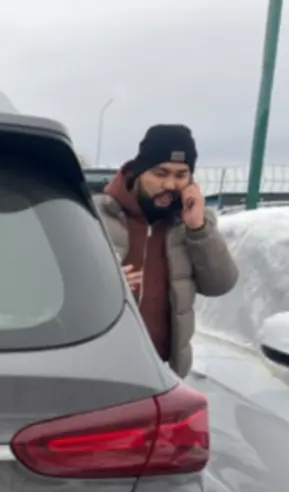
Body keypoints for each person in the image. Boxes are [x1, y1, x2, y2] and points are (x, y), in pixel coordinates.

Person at [94, 124, 239, 378]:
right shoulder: (96, 214)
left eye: (181, 175)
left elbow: (220, 284)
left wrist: (198, 228)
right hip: (101, 371)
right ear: (139, 172)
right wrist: (103, 285)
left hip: (164, 374)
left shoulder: (191, 224)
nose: (170, 184)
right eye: (160, 173)